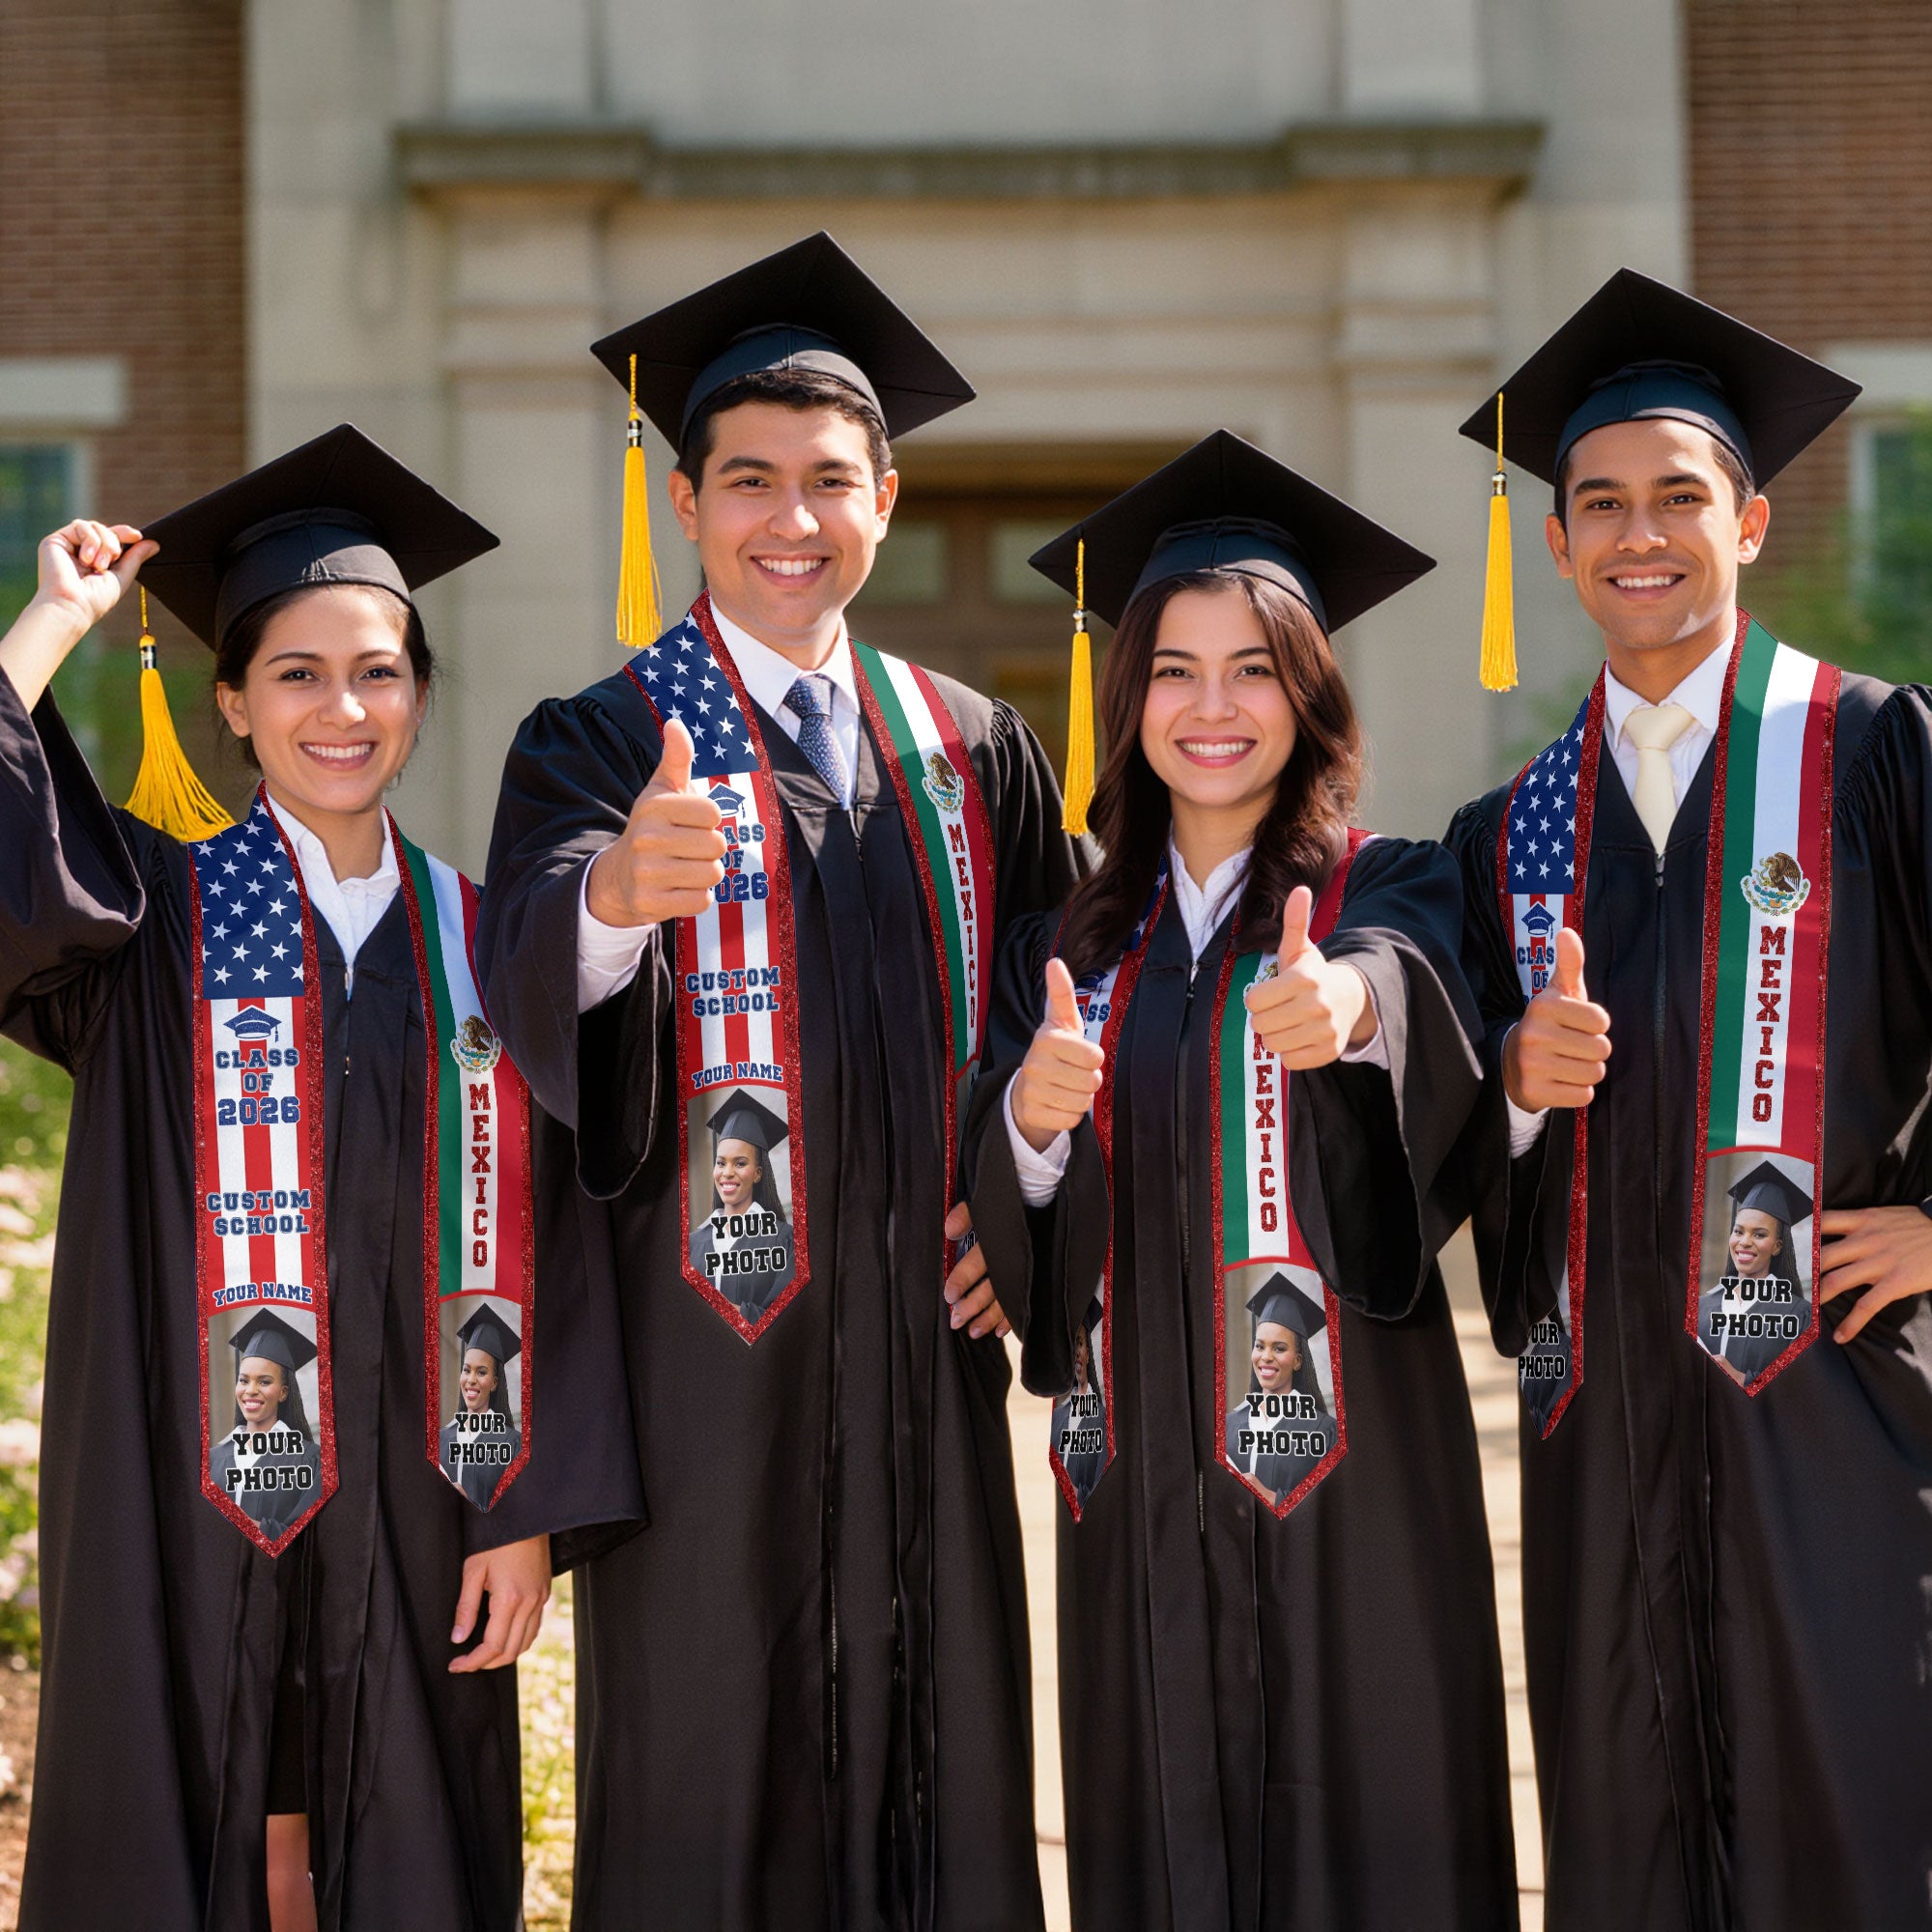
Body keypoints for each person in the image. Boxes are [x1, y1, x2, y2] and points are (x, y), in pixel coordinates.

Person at [477, 233, 1083, 1930]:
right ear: (686, 503)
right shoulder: (598, 739)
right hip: (704, 1376)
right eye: (749, 481)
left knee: (942, 1767)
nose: (790, 519)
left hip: (923, 1363)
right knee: (709, 1787)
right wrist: (612, 901)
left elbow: (1074, 1005)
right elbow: (529, 973)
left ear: (886, 496)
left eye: (830, 480)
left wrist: (1027, 1203)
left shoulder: (973, 745)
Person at [1, 427, 642, 1932]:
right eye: (295, 673)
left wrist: (527, 1507)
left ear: (420, 694)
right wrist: (49, 625)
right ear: (231, 702)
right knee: (188, 1806)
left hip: (430, 1498)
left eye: (377, 670)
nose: (340, 708)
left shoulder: (493, 942)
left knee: (408, 1832)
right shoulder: (147, 920)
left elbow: (567, 1237)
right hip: (180, 1484)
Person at [965, 432, 1517, 1931]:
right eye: (1175, 670)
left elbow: (1415, 993)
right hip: (1135, 1476)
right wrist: (1026, 1114)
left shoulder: (1388, 884)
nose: (1214, 708)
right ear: (1127, 696)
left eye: (1256, 668)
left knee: (1376, 1829)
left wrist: (1349, 1013)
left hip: (1357, 1486)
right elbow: (1011, 1201)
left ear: (1311, 693)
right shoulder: (1066, 945)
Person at [1447, 270, 1932, 1931]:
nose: (1636, 534)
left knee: (1856, 1815)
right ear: (1561, 541)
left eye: (1677, 498)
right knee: (1626, 1831)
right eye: (1599, 505)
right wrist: (1511, 1088)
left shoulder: (1874, 753)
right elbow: (1442, 1142)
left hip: (1837, 1408)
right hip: (1603, 1439)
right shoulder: (1508, 833)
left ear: (1751, 521)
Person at [210, 1309, 327, 1543]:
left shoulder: (310, 1461)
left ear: (284, 1392)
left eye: (264, 1381)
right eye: (244, 1380)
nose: (250, 1390)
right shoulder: (212, 1459)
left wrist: (251, 1528)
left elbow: (312, 1540)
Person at [1695, 1161, 1812, 1385]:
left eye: (1759, 1235)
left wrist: (1746, 1381)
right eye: (1738, 1231)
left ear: (1778, 1246)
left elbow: (1804, 1388)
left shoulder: (1799, 1315)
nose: (1745, 1242)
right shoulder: (1700, 1307)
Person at [687, 1087, 797, 1321]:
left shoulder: (784, 1241)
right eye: (720, 1163)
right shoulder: (692, 1244)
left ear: (758, 1173)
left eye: (739, 1163)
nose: (727, 1173)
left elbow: (788, 1321)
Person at [1222, 1273, 1330, 1507]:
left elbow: (1332, 1509)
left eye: (1279, 1349)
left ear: (1298, 1361)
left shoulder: (1323, 1431)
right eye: (1259, 1346)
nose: (1266, 1357)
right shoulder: (1227, 1427)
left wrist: (1275, 1499)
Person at [440, 1307, 525, 1509]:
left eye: (482, 1372)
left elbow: (516, 1511)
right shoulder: (440, 1439)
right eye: (466, 1370)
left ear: (494, 1383)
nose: (471, 1380)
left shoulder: (512, 1444)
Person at [1050, 1294, 1107, 1511]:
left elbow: (1104, 1484)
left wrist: (1078, 1495)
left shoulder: (1105, 1421)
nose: (1076, 1353)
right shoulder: (1056, 1419)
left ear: (1088, 1353)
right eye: (1071, 1345)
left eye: (1080, 1343)